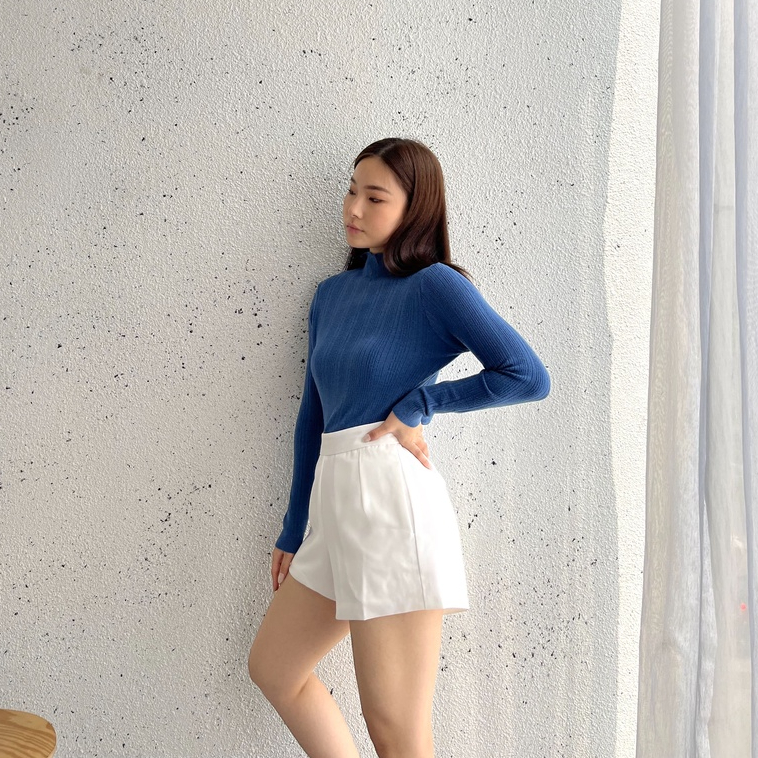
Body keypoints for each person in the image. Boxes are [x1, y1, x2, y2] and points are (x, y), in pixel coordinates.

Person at [247, 137, 551, 758]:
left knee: (395, 728)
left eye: (375, 197)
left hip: (389, 501)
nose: (354, 208)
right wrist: (293, 526)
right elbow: (311, 418)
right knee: (275, 669)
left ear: (416, 208)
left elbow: (526, 375)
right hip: (336, 504)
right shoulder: (331, 296)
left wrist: (422, 404)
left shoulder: (435, 287)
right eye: (351, 190)